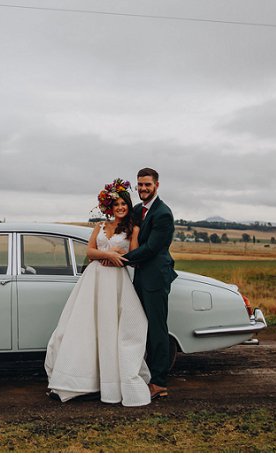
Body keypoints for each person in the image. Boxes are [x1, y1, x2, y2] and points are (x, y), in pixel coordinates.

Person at [44, 179, 152, 407]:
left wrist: (117, 256)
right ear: (109, 208)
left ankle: (111, 384)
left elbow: (132, 256)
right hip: (94, 279)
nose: (120, 207)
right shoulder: (100, 227)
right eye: (116, 204)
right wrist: (108, 254)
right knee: (84, 326)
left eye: (124, 203)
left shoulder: (133, 229)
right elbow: (91, 252)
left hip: (115, 281)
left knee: (111, 327)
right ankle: (78, 380)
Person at [103, 167, 176, 400]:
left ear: (157, 185)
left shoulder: (163, 213)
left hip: (155, 277)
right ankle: (140, 374)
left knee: (157, 329)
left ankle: (159, 382)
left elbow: (152, 248)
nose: (143, 188)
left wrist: (119, 259)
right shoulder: (137, 209)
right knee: (139, 327)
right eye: (140, 185)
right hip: (140, 276)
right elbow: (122, 227)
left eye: (148, 185)